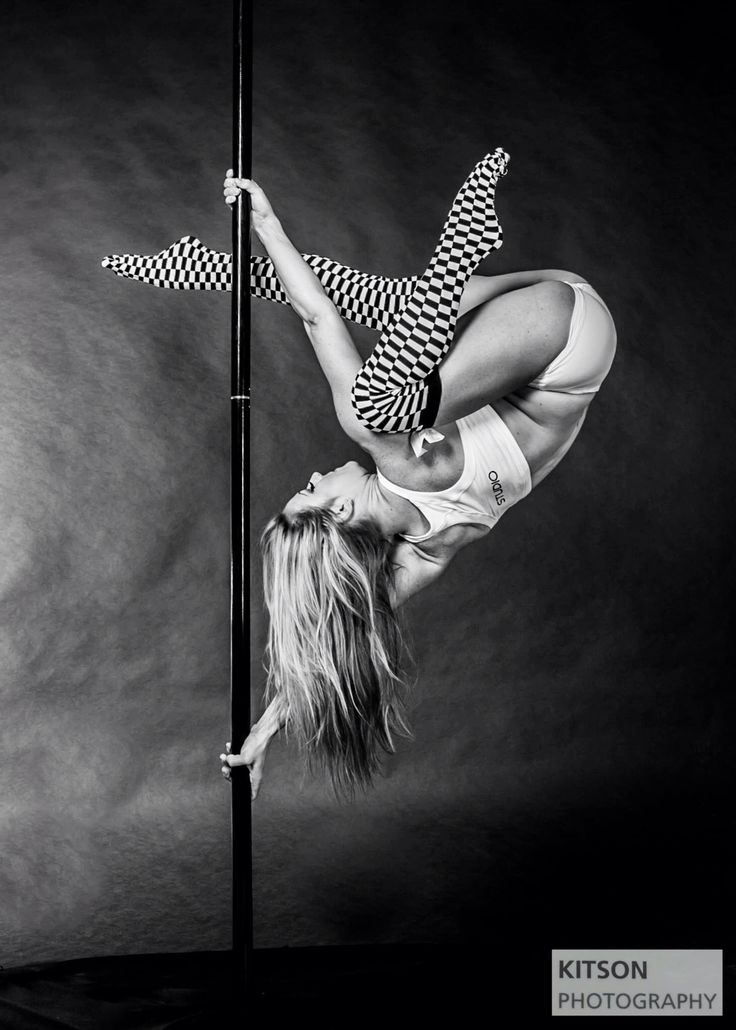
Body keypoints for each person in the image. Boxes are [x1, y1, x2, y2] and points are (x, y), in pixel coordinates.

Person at [209, 151, 618, 800]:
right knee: (370, 405)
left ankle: (219, 270)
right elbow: (316, 320)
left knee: (377, 304)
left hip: (559, 321)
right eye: (314, 490)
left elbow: (326, 640)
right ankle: (461, 243)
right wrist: (267, 223)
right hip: (560, 329)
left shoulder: (422, 556)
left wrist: (261, 735)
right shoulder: (389, 454)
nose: (315, 473)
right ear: (338, 515)